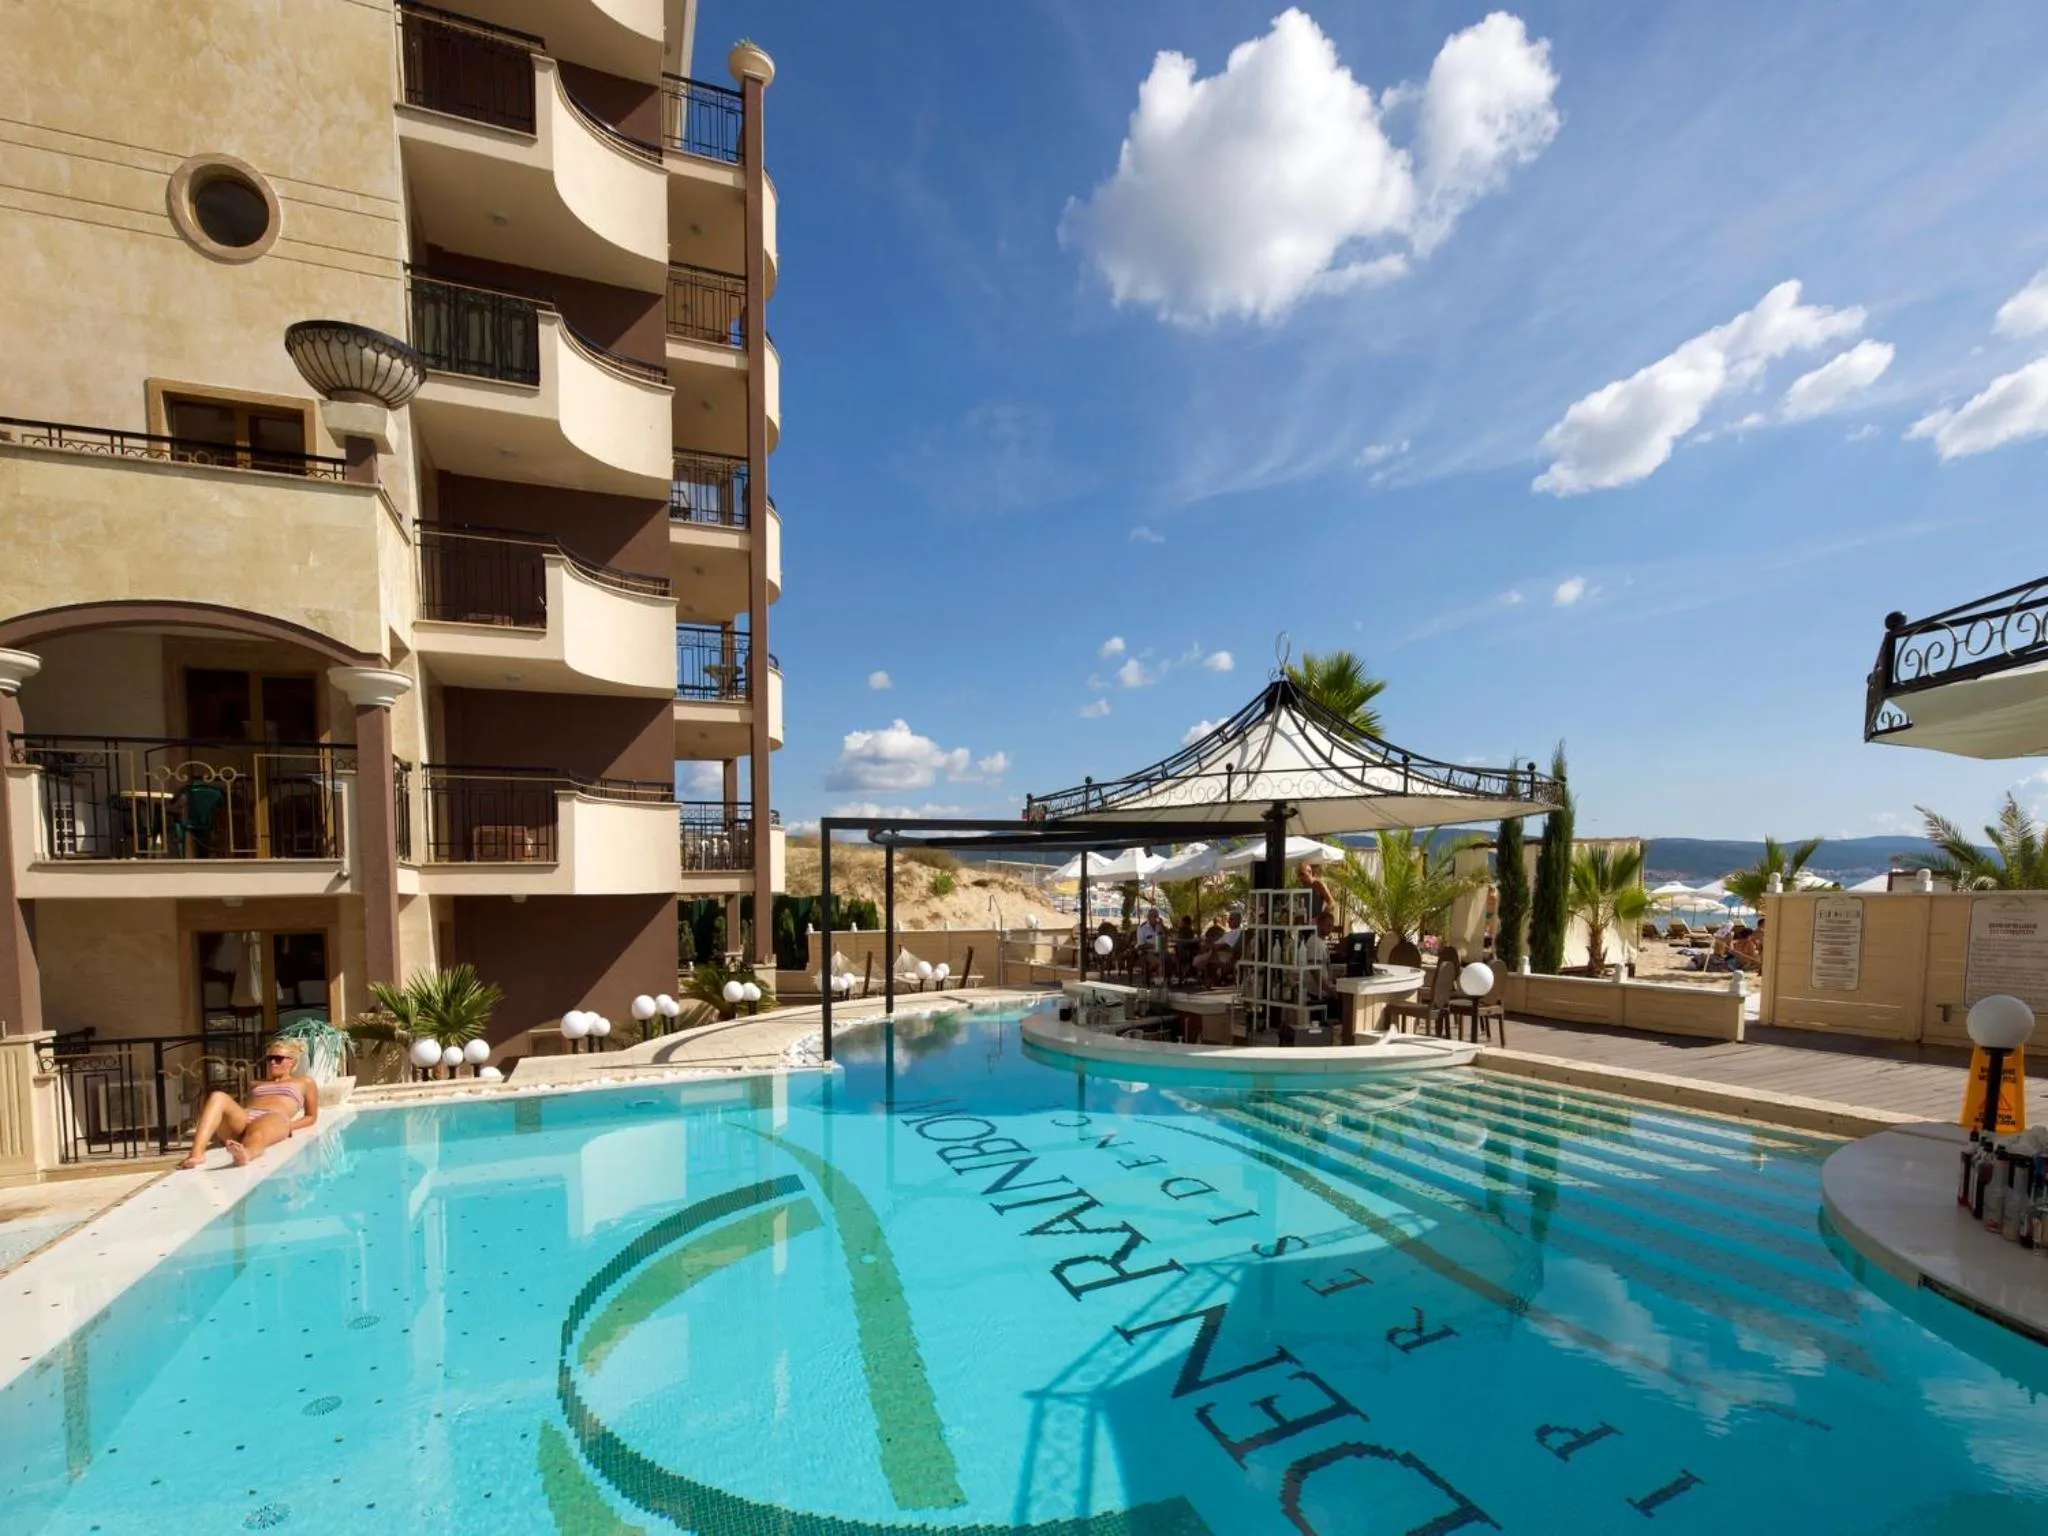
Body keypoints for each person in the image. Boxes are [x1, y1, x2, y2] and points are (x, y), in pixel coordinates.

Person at [180, 1038, 319, 1169]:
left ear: (292, 1062)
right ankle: (196, 1154)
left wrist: (289, 1126)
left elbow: (311, 1116)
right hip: (246, 1117)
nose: (272, 1062)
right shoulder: (255, 1083)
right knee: (218, 1096)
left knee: (257, 1132)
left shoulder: (304, 1082)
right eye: (269, 1059)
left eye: (278, 1059)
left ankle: (246, 1154)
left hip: (274, 1117)